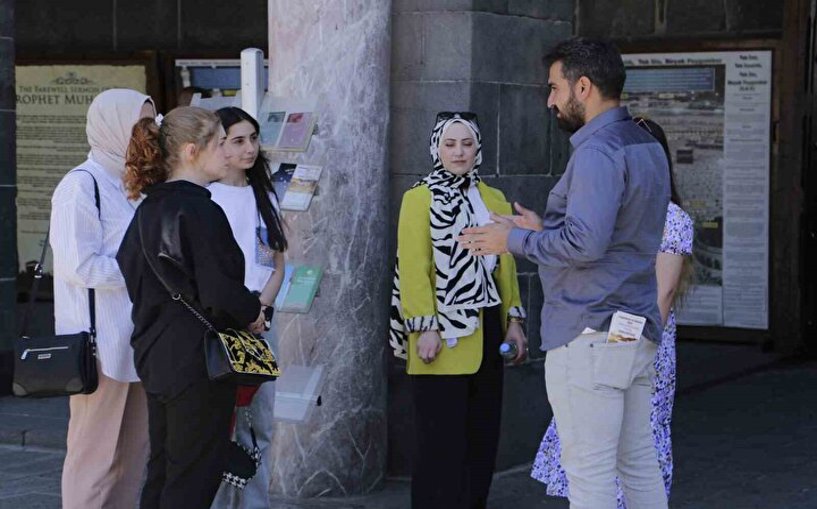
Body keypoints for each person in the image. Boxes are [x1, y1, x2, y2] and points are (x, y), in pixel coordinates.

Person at [457, 37, 671, 509]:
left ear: (584, 86)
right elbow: (613, 235)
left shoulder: (598, 151)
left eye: (554, 88)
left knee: (589, 473)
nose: (550, 100)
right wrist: (541, 230)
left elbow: (586, 244)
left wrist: (512, 240)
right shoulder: (645, 144)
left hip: (590, 331)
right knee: (638, 462)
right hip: (632, 328)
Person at [530, 116, 695, 507]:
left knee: (620, 455)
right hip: (620, 338)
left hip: (631, 339)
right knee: (617, 450)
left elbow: (664, 292)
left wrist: (620, 348)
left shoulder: (670, 216)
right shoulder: (620, 209)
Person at [116, 106, 266, 509]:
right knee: (193, 477)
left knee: (164, 469)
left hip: (155, 352)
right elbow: (220, 290)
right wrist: (252, 312)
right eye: (220, 144)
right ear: (190, 151)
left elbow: (130, 270)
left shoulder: (147, 208)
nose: (228, 152)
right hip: (199, 360)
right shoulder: (200, 209)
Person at [389, 112, 527, 509]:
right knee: (438, 444)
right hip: (441, 331)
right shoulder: (419, 198)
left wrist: (514, 321)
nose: (459, 152)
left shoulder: (494, 198)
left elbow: (506, 267)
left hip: (487, 329)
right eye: (450, 144)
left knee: (481, 439)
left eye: (467, 143)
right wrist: (425, 328)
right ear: (436, 148)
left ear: (478, 147)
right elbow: (413, 268)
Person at [50, 88, 156, 509]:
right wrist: (144, 271)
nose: (149, 132)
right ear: (113, 127)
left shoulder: (136, 185)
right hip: (100, 344)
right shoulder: (81, 186)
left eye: (152, 122)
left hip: (139, 338)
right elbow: (79, 266)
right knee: (94, 457)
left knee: (132, 454)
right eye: (140, 124)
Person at [209, 106, 287, 509]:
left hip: (261, 322)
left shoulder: (265, 194)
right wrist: (243, 310)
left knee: (260, 423)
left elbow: (276, 261)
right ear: (217, 144)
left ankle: (256, 504)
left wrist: (263, 309)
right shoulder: (206, 195)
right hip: (221, 322)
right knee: (221, 425)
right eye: (238, 140)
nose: (249, 148)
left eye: (253, 138)